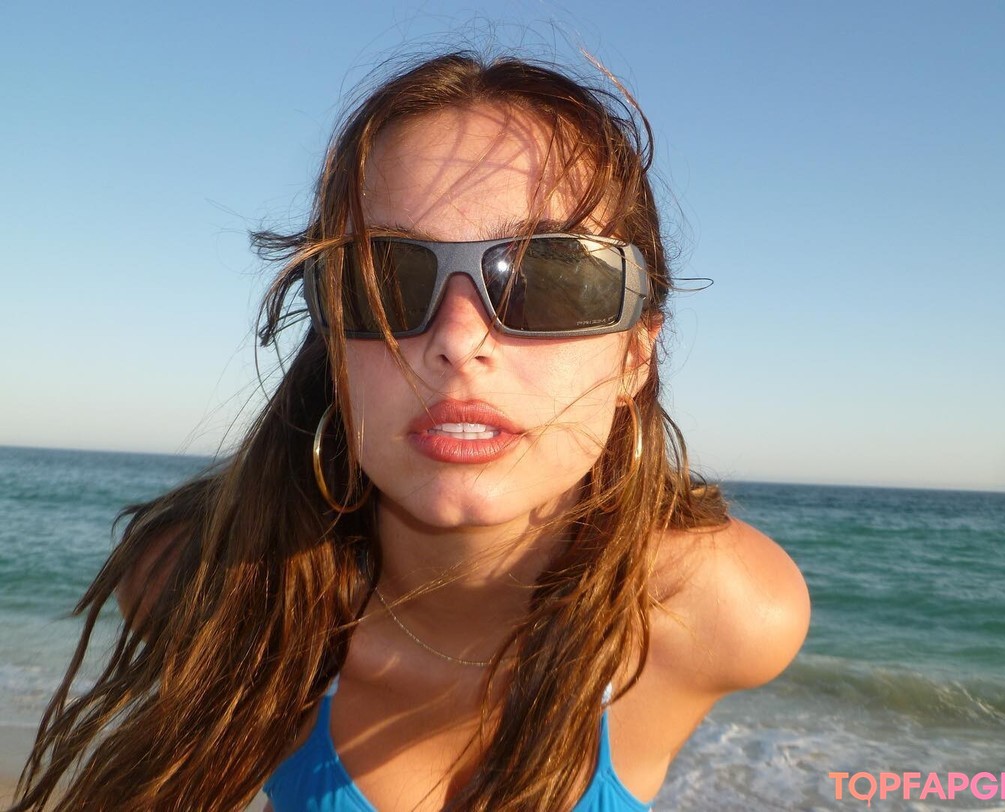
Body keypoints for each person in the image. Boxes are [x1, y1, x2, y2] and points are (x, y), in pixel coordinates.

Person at [12, 51, 809, 812]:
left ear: (636, 352)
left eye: (551, 276)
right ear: (333, 347)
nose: (459, 340)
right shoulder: (195, 585)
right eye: (385, 278)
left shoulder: (724, 614)